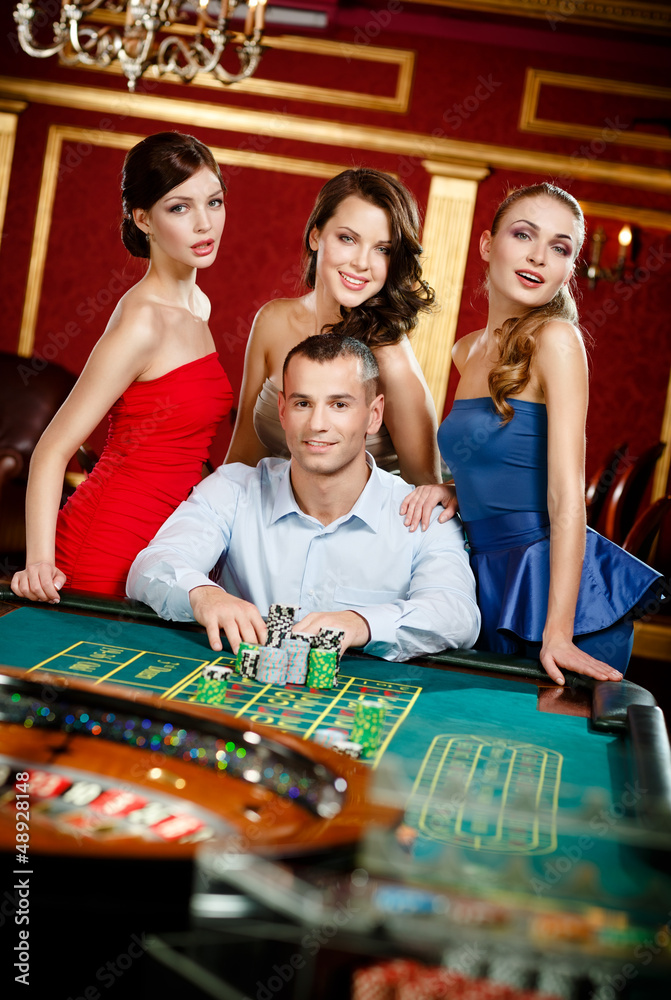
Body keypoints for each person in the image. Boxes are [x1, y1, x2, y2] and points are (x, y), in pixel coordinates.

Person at [401, 182, 663, 685]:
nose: (539, 257)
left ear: (569, 268)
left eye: (560, 248)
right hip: (482, 577)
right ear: (486, 244)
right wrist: (456, 488)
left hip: (547, 591)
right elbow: (503, 460)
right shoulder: (466, 350)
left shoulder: (557, 340)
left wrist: (559, 631)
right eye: (524, 235)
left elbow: (567, 498)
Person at [128, 334, 479, 662]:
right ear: (282, 411)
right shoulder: (233, 490)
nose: (317, 424)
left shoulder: (425, 517)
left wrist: (361, 623)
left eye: (339, 404)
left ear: (374, 415)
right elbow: (151, 565)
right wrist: (204, 595)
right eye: (303, 403)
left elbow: (456, 614)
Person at [11, 132, 233, 602]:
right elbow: (52, 449)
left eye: (213, 202)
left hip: (168, 545)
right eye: (179, 208)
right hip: (107, 543)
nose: (203, 223)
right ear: (143, 218)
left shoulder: (198, 305)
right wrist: (39, 563)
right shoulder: (143, 321)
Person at [224, 167, 441, 484]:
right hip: (266, 519)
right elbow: (242, 459)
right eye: (348, 238)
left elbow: (424, 493)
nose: (362, 262)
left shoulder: (391, 362)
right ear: (315, 236)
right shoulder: (272, 321)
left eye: (382, 248)